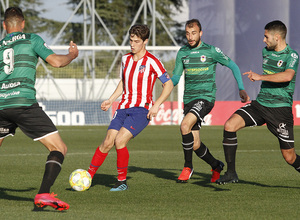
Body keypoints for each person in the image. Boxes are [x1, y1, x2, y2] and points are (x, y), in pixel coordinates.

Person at [0, 7, 79, 210]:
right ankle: (43, 193)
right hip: (23, 103)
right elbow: (56, 62)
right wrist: (71, 55)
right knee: (59, 148)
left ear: (4, 26)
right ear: (23, 24)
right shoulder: (31, 39)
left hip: (1, 105)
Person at [87, 24, 173, 191]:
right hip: (122, 108)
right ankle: (88, 176)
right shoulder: (126, 58)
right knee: (107, 142)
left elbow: (168, 85)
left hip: (141, 110)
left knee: (120, 141)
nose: (132, 44)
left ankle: (121, 181)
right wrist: (111, 99)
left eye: (136, 41)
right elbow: (124, 82)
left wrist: (156, 105)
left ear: (145, 41)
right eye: (131, 40)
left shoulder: (153, 62)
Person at [216, 20, 299, 184]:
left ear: (277, 37)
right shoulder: (266, 51)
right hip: (260, 105)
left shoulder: (292, 55)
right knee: (229, 126)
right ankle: (231, 173)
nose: (263, 40)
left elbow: (287, 76)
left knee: (289, 157)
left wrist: (260, 76)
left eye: (266, 36)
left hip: (280, 110)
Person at [171, 19, 249, 183]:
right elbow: (176, 77)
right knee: (195, 143)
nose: (190, 37)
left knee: (184, 125)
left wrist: (241, 88)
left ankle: (187, 167)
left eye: (194, 33)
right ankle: (216, 165)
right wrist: (165, 83)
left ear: (200, 33)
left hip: (205, 97)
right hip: (189, 100)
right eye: (187, 33)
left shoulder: (211, 51)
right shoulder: (182, 52)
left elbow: (233, 66)